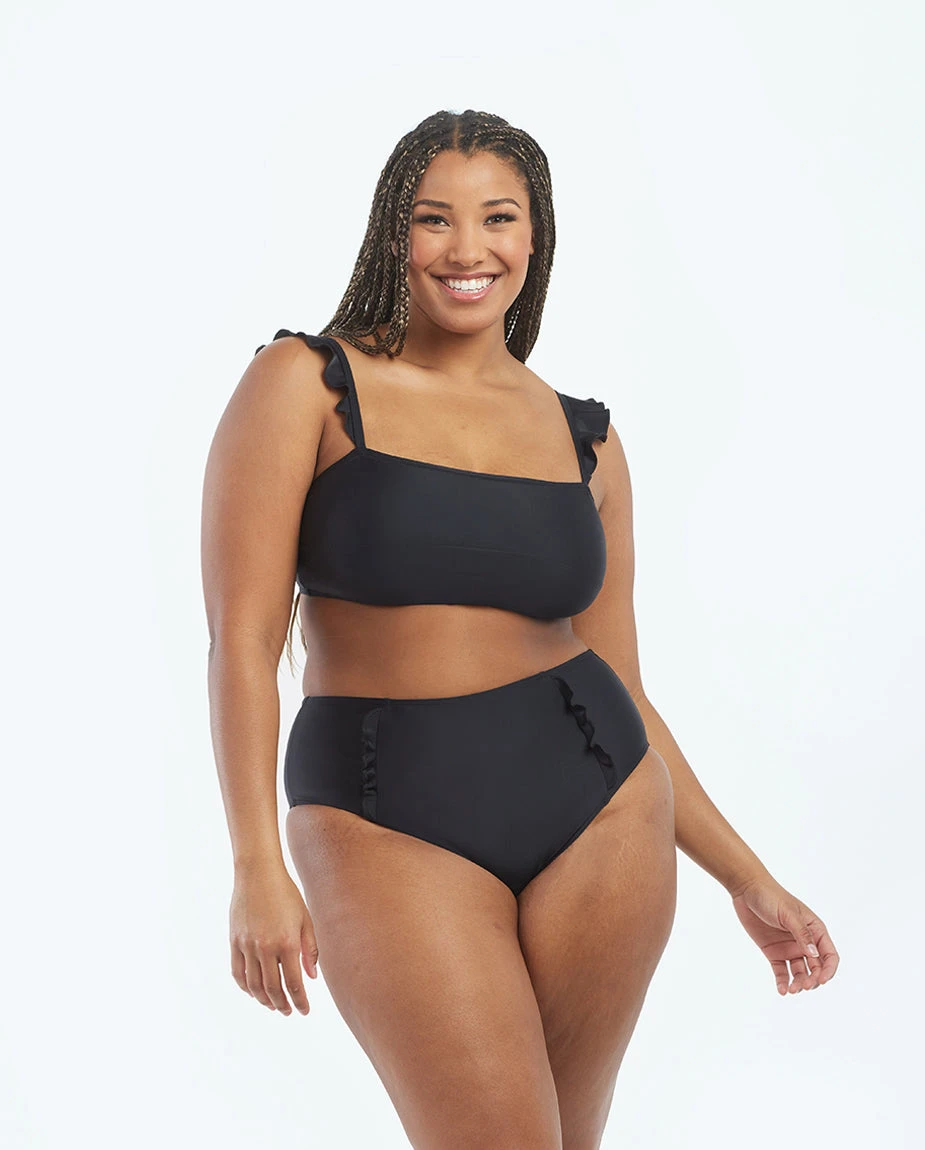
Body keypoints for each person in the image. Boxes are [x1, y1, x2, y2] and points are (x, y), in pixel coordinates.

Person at [201, 108, 840, 1149]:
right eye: (434, 219)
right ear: (392, 231)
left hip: (599, 809)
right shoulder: (305, 384)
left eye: (497, 218)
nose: (467, 249)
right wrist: (251, 864)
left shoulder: (588, 440)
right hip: (381, 812)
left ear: (534, 235)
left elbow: (623, 683)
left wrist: (747, 876)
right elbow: (241, 640)